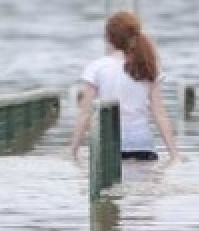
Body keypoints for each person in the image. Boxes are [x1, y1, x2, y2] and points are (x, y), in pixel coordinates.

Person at [68, 11, 180, 163]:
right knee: (143, 186)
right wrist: (174, 155)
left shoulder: (97, 67)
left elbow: (85, 114)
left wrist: (72, 152)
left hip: (108, 145)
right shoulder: (147, 67)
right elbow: (159, 114)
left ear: (108, 38)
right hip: (142, 144)